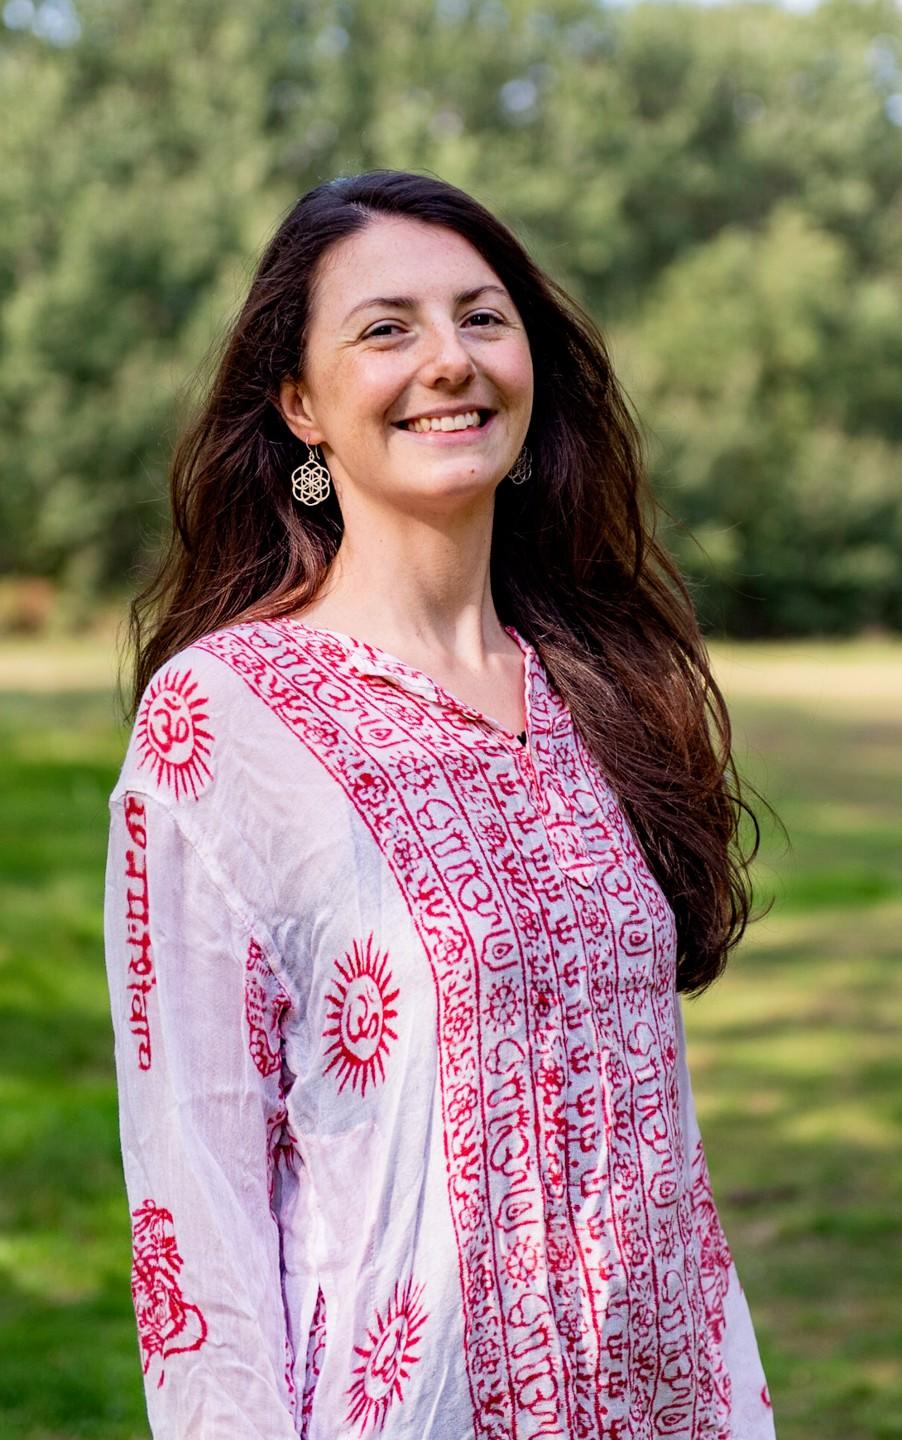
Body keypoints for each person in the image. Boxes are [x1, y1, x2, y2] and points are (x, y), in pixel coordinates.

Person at [103, 169, 777, 1439]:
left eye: (481, 318)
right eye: (385, 328)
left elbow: (671, 1169)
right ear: (300, 403)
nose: (448, 361)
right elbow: (194, 1211)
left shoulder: (600, 687)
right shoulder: (224, 722)